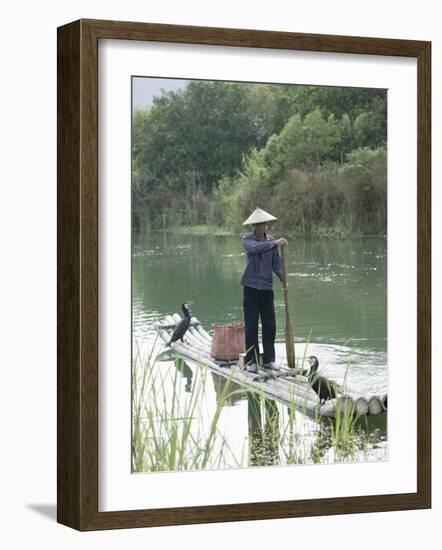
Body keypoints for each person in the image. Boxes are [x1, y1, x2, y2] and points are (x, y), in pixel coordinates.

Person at [240, 207, 288, 373]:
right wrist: (275, 243)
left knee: (270, 325)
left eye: (264, 224)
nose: (261, 227)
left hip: (267, 289)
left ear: (266, 225)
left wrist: (283, 279)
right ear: (254, 226)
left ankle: (269, 360)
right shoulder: (247, 240)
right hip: (251, 289)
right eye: (258, 224)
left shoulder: (272, 241)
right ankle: (251, 362)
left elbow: (276, 264)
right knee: (251, 326)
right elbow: (256, 249)